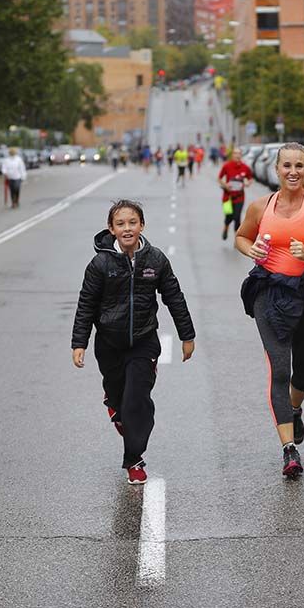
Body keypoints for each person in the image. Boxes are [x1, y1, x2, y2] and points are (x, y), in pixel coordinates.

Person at [235, 143, 304, 478]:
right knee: (280, 370)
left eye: (299, 165)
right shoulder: (260, 206)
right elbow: (240, 238)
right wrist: (251, 248)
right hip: (268, 293)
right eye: (287, 166)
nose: (293, 172)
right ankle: (289, 450)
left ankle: (295, 408)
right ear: (276, 169)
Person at [72, 200, 196, 485]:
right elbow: (86, 305)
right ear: (111, 229)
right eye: (120, 224)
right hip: (109, 344)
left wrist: (186, 335)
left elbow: (174, 297)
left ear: (142, 226)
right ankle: (114, 406)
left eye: (132, 222)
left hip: (144, 342)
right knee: (119, 398)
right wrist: (79, 342)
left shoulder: (156, 260)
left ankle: (134, 460)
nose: (127, 228)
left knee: (137, 402)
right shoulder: (100, 263)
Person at [218, 147, 254, 240]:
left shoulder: (245, 167)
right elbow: (219, 178)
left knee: (237, 217)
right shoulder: (227, 166)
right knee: (228, 216)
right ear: (232, 155)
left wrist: (247, 183)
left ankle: (237, 239)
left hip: (239, 197)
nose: (237, 155)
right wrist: (226, 185)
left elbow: (250, 179)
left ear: (241, 155)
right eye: (235, 153)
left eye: (239, 154)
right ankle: (225, 228)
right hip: (227, 197)